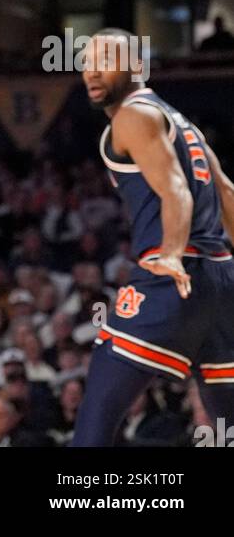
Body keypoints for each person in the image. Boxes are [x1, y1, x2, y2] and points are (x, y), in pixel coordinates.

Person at [72, 28, 234, 446]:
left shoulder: (133, 115)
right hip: (221, 279)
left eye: (107, 61)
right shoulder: (184, 124)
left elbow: (176, 188)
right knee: (228, 425)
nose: (93, 72)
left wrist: (173, 254)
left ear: (138, 67)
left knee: (97, 415)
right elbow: (228, 193)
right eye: (87, 62)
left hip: (173, 278)